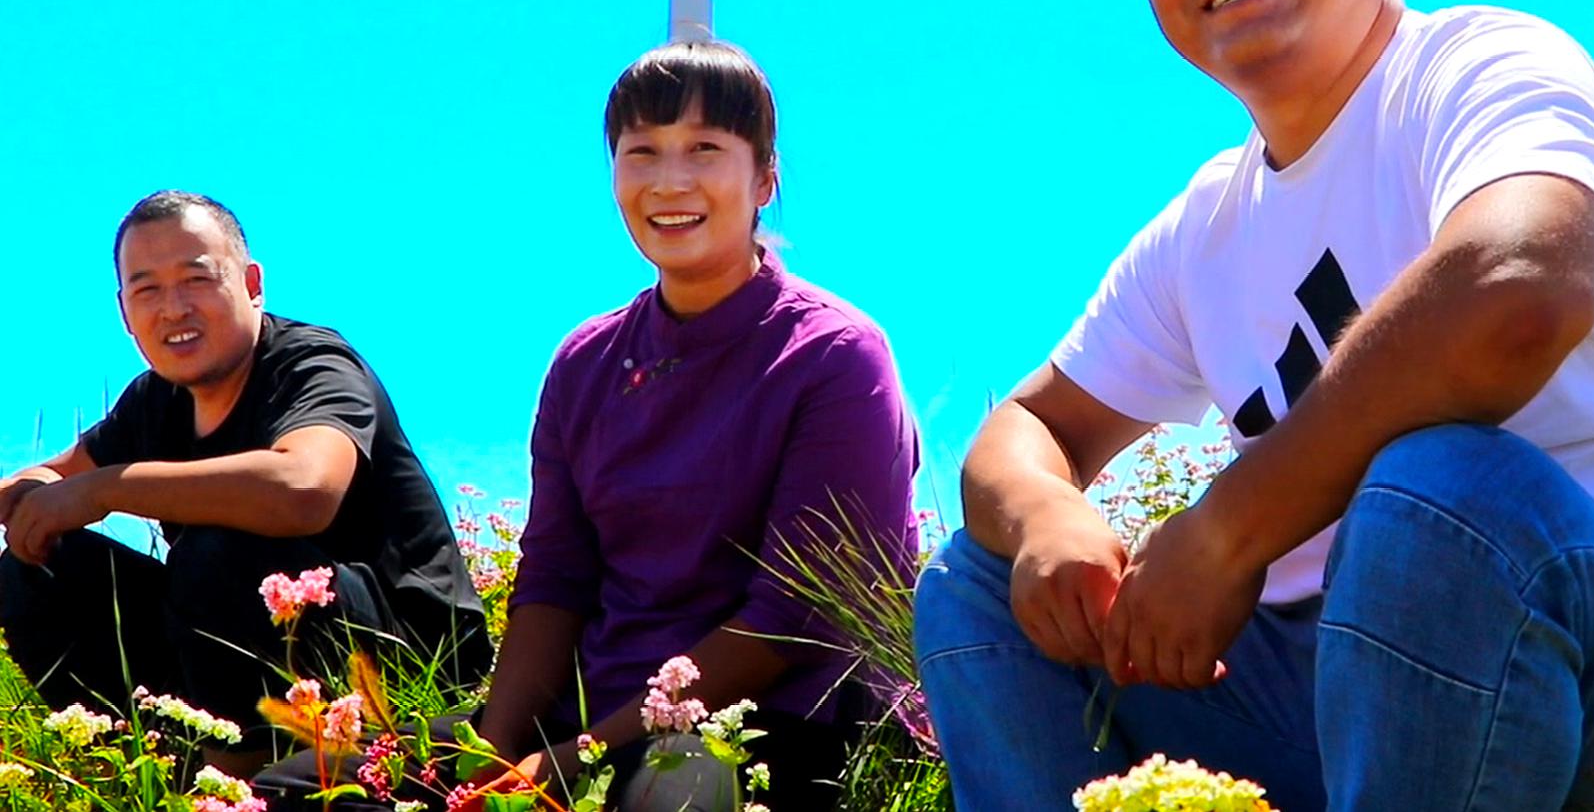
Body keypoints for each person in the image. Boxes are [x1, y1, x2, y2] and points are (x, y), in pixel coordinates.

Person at [913, 0, 1594, 811]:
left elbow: (1519, 291)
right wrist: (1049, 517)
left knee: (1442, 491)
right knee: (978, 584)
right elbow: (1024, 428)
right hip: (1335, 708)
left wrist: (1228, 528)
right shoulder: (1204, 226)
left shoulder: (1482, 65)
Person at [467, 41, 920, 811]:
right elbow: (553, 580)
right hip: (592, 730)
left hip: (777, 733)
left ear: (765, 179)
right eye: (642, 152)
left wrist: (577, 757)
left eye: (705, 149)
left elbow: (793, 622)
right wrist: (494, 751)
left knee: (679, 782)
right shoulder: (585, 362)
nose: (670, 181)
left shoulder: (836, 356)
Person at [0, 191, 489, 775]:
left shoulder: (312, 364)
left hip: (404, 661)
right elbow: (55, 475)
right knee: (37, 571)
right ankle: (169, 769)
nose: (174, 308)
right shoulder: (157, 401)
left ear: (252, 283)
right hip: (249, 663)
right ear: (125, 311)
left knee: (220, 551)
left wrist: (105, 490)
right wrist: (32, 497)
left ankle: (248, 785)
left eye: (196, 279)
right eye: (147, 289)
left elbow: (304, 489)